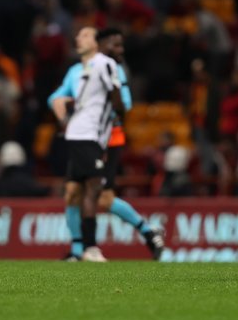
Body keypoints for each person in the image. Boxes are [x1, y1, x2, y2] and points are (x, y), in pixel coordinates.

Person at [50, 27, 163, 261]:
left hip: (109, 138)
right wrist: (67, 112)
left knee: (101, 195)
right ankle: (78, 251)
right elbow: (56, 98)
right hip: (85, 135)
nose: (119, 50)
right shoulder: (75, 71)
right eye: (115, 45)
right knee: (72, 192)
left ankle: (146, 231)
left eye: (86, 35)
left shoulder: (111, 67)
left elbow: (125, 103)